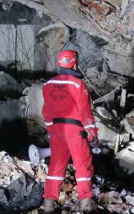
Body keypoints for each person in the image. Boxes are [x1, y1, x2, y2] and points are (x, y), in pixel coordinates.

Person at [41, 50, 98, 213]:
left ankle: (49, 204)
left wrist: (51, 130)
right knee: (82, 166)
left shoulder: (48, 84)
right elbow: (85, 112)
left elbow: (46, 111)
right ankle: (86, 204)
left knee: (56, 167)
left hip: (57, 130)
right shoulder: (77, 84)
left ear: (60, 63)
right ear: (75, 63)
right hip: (75, 130)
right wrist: (92, 133)